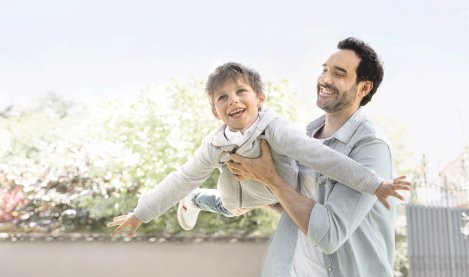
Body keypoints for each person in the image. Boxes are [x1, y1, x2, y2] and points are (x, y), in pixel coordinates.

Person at [107, 61, 409, 243]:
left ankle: (203, 199)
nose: (233, 101)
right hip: (238, 198)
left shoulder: (276, 130)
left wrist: (374, 183)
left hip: (277, 193)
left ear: (260, 98)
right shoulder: (214, 146)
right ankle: (196, 200)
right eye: (222, 97)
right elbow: (181, 178)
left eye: (241, 92)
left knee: (301, 209)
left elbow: (323, 157)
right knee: (220, 202)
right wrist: (140, 214)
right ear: (215, 111)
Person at [226, 38, 403, 276]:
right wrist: (256, 191)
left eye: (339, 74)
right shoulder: (307, 137)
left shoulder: (370, 146)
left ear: (364, 88)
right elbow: (298, 208)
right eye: (324, 70)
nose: (325, 79)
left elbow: (329, 233)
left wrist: (272, 180)